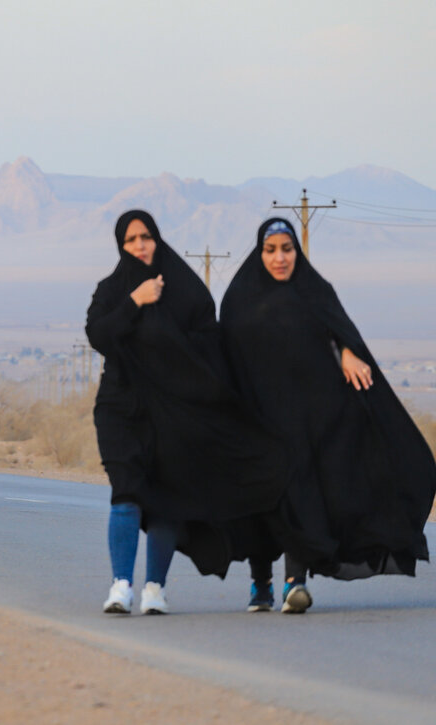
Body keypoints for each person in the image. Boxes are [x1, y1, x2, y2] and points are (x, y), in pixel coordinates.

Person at [221, 218, 436, 613]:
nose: (280, 257)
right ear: (260, 252)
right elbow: (226, 358)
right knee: (260, 506)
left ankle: (294, 584)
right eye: (271, 250)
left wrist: (348, 351)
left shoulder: (314, 290)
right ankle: (260, 584)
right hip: (256, 419)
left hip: (307, 419)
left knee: (300, 494)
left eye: (287, 249)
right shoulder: (239, 298)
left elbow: (338, 330)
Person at [85, 210, 288, 615]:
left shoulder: (186, 289)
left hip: (175, 411)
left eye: (146, 237)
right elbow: (98, 335)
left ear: (157, 239)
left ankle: (154, 589)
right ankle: (121, 586)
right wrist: (134, 302)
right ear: (120, 246)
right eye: (130, 240)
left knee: (165, 499)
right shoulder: (111, 290)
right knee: (125, 493)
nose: (139, 245)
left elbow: (209, 341)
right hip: (121, 407)